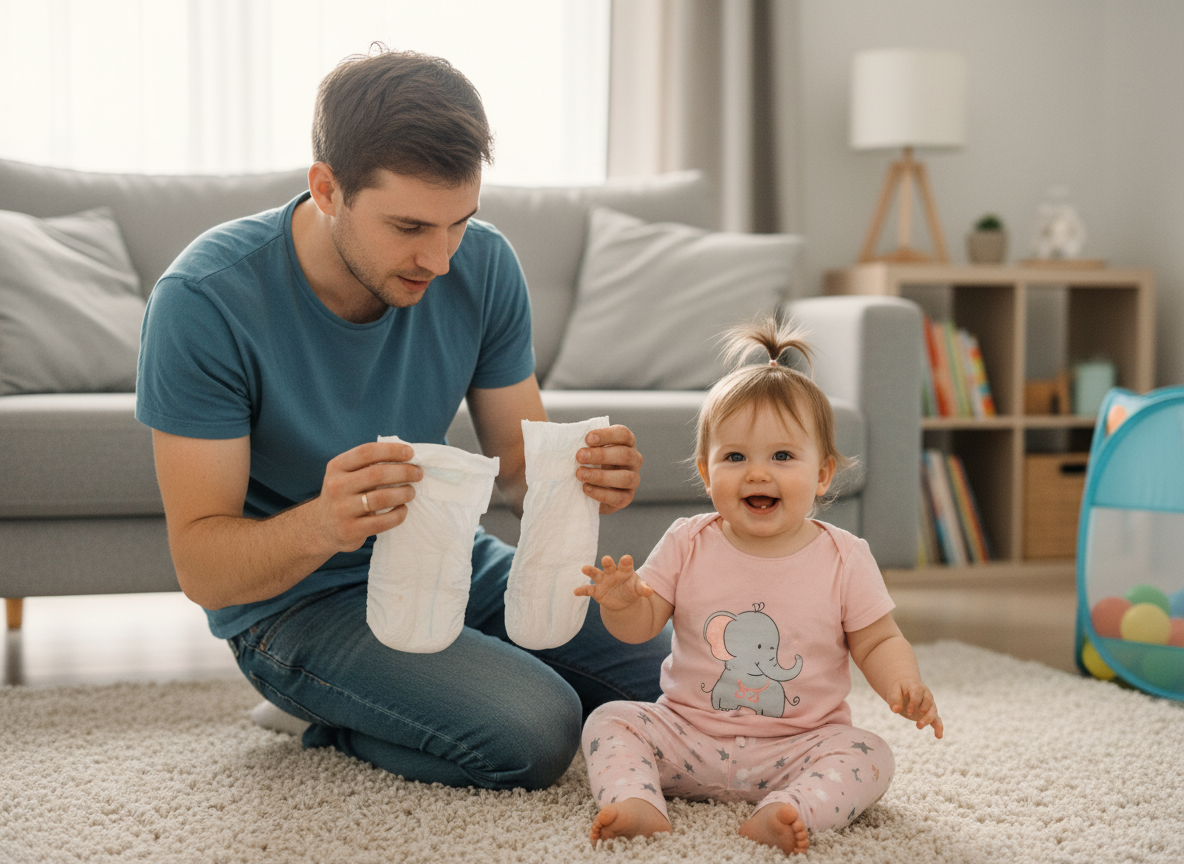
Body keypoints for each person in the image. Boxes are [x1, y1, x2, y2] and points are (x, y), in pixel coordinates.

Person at [135, 46, 669, 792]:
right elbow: (203, 568)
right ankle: (327, 713)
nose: (441, 259)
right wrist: (326, 521)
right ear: (327, 188)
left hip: (450, 557)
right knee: (537, 731)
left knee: (674, 675)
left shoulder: (483, 265)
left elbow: (516, 471)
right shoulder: (205, 300)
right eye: (411, 226)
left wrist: (578, 478)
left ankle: (422, 693)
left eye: (459, 223)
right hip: (295, 603)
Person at [574, 318, 943, 855]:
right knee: (611, 719)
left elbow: (878, 640)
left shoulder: (846, 557)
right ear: (706, 471)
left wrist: (902, 685)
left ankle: (790, 809)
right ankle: (639, 801)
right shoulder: (687, 540)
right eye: (735, 457)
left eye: (783, 456)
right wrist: (623, 601)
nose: (757, 474)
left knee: (870, 754)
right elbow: (640, 628)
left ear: (823, 475)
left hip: (798, 747)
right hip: (687, 739)